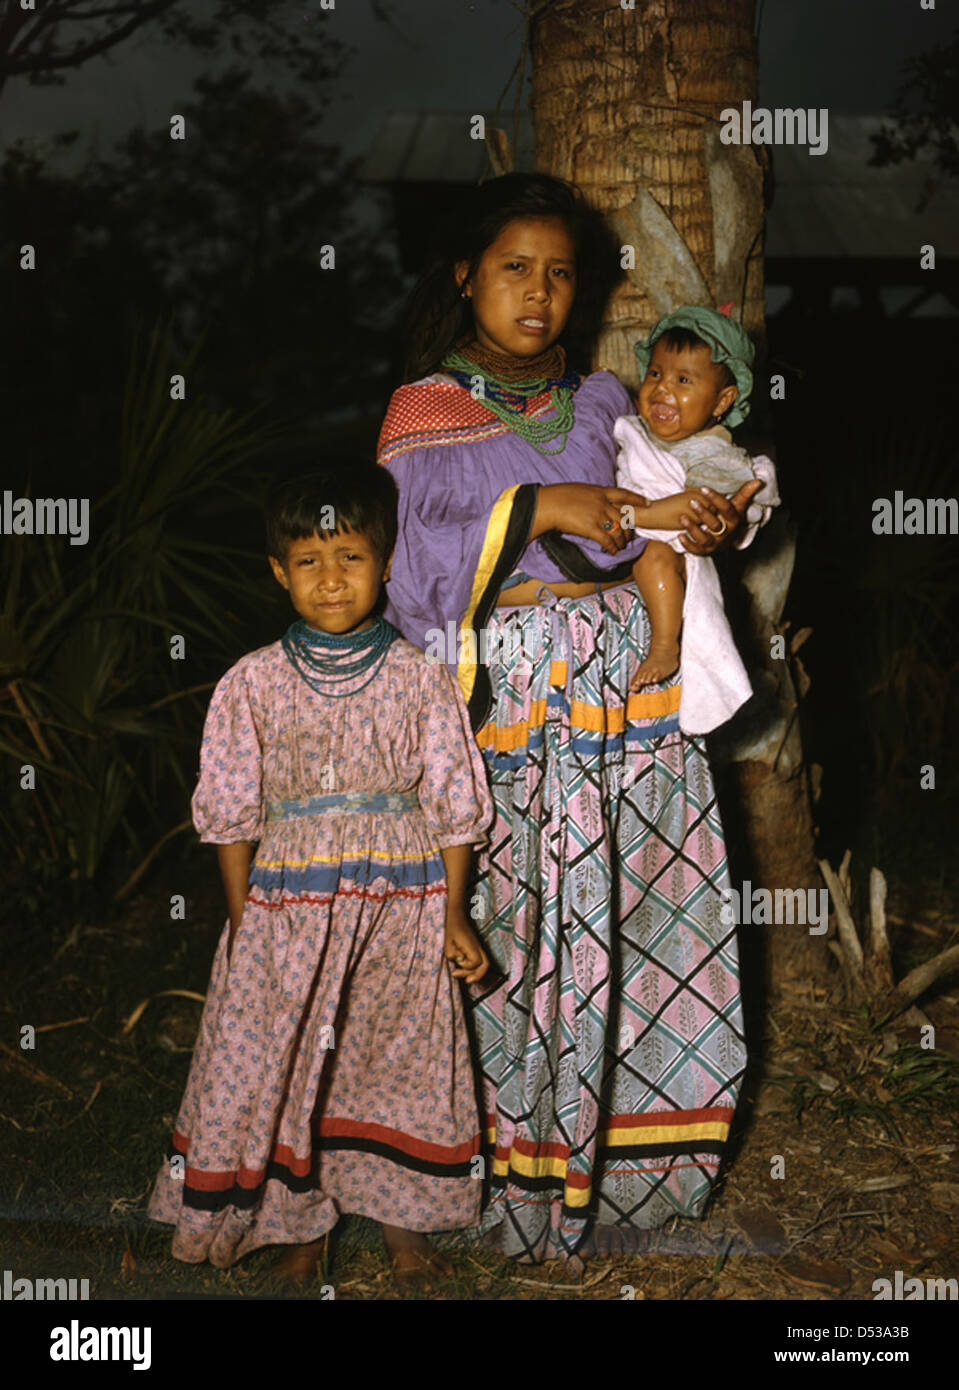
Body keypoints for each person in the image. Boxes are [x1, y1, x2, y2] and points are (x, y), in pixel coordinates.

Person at [377, 173, 762, 1262]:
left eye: (558, 272)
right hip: (501, 698)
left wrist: (705, 517)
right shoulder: (424, 410)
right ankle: (497, 1160)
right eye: (513, 268)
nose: (539, 292)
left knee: (633, 915)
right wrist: (541, 506)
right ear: (464, 277)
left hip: (619, 693)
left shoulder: (601, 402)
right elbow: (409, 568)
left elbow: (659, 495)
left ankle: (631, 1165)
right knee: (507, 923)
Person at [148, 467, 493, 1289]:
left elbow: (453, 803)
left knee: (398, 1056)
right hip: (290, 909)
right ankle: (300, 1226)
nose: (330, 577)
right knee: (296, 1058)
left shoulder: (418, 675)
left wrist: (453, 915)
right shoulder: (251, 682)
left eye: (349, 556)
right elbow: (230, 812)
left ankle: (405, 1226)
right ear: (278, 571)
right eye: (308, 561)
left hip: (401, 907)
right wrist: (245, 922)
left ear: (383, 564)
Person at [614, 305, 781, 734]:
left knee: (654, 558)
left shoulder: (714, 452)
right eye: (655, 374)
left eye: (683, 380)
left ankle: (666, 645)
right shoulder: (636, 433)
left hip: (670, 551)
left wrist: (705, 519)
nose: (662, 389)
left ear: (722, 402)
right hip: (618, 575)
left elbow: (709, 503)